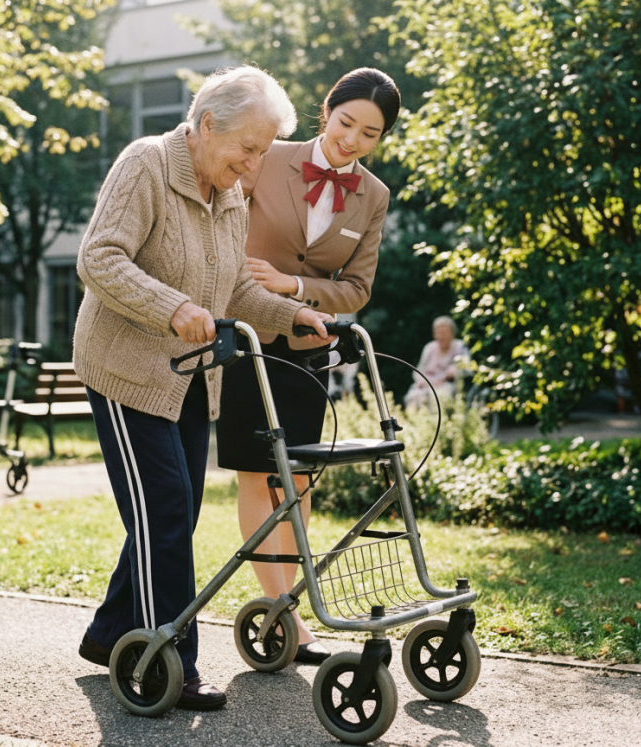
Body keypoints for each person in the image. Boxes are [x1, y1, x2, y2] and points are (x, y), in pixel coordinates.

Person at [72, 66, 333, 711]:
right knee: (163, 508)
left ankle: (110, 635)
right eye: (248, 148)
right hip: (126, 372)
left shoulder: (230, 192)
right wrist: (170, 307)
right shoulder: (147, 166)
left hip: (189, 379)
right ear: (207, 124)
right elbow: (99, 258)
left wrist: (289, 314)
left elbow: (232, 291)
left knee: (176, 512)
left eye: (263, 152)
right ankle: (171, 661)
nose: (253, 165)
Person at [215, 68, 401, 664]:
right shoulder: (267, 156)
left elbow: (357, 289)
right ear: (328, 110)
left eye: (369, 133)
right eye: (346, 122)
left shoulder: (374, 196)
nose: (352, 140)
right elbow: (217, 225)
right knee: (256, 473)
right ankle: (290, 618)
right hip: (244, 336)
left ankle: (287, 603)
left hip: (306, 350)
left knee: (295, 481)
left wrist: (296, 284)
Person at [405, 315, 470, 407]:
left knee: (439, 397)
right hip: (427, 384)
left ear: (452, 333)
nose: (440, 336)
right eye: (438, 333)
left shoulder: (460, 346)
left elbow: (466, 368)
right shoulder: (429, 347)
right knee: (412, 396)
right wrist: (422, 380)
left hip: (448, 384)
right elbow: (418, 370)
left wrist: (452, 372)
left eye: (444, 333)